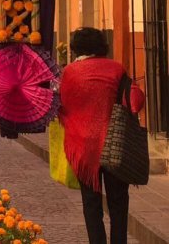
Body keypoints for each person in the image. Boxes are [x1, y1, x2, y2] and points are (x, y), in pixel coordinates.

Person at [59, 27, 145, 244]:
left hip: (83, 148)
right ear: (102, 45)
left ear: (76, 48)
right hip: (115, 144)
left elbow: (64, 107)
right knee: (118, 203)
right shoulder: (117, 69)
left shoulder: (70, 72)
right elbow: (136, 101)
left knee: (91, 203)